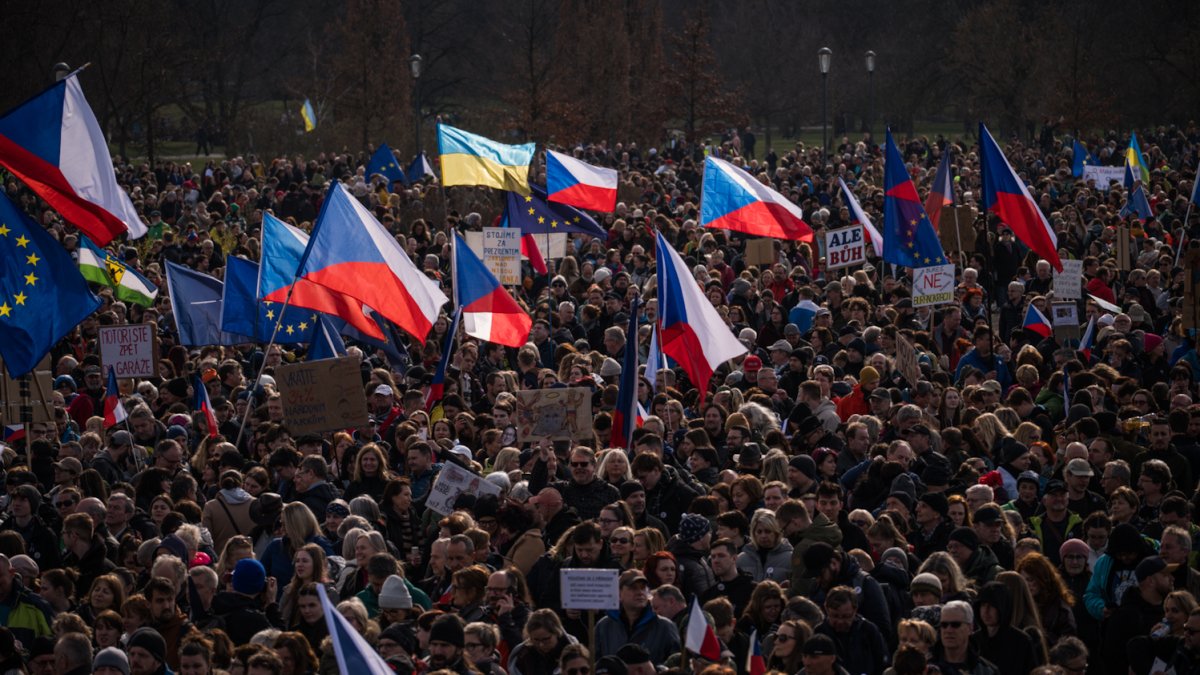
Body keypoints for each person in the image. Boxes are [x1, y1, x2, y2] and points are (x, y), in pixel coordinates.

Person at [594, 569, 681, 663]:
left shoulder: (665, 626)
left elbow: (675, 664)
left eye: (643, 588)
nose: (640, 592)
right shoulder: (604, 626)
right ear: (619, 593)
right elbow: (595, 663)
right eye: (633, 588)